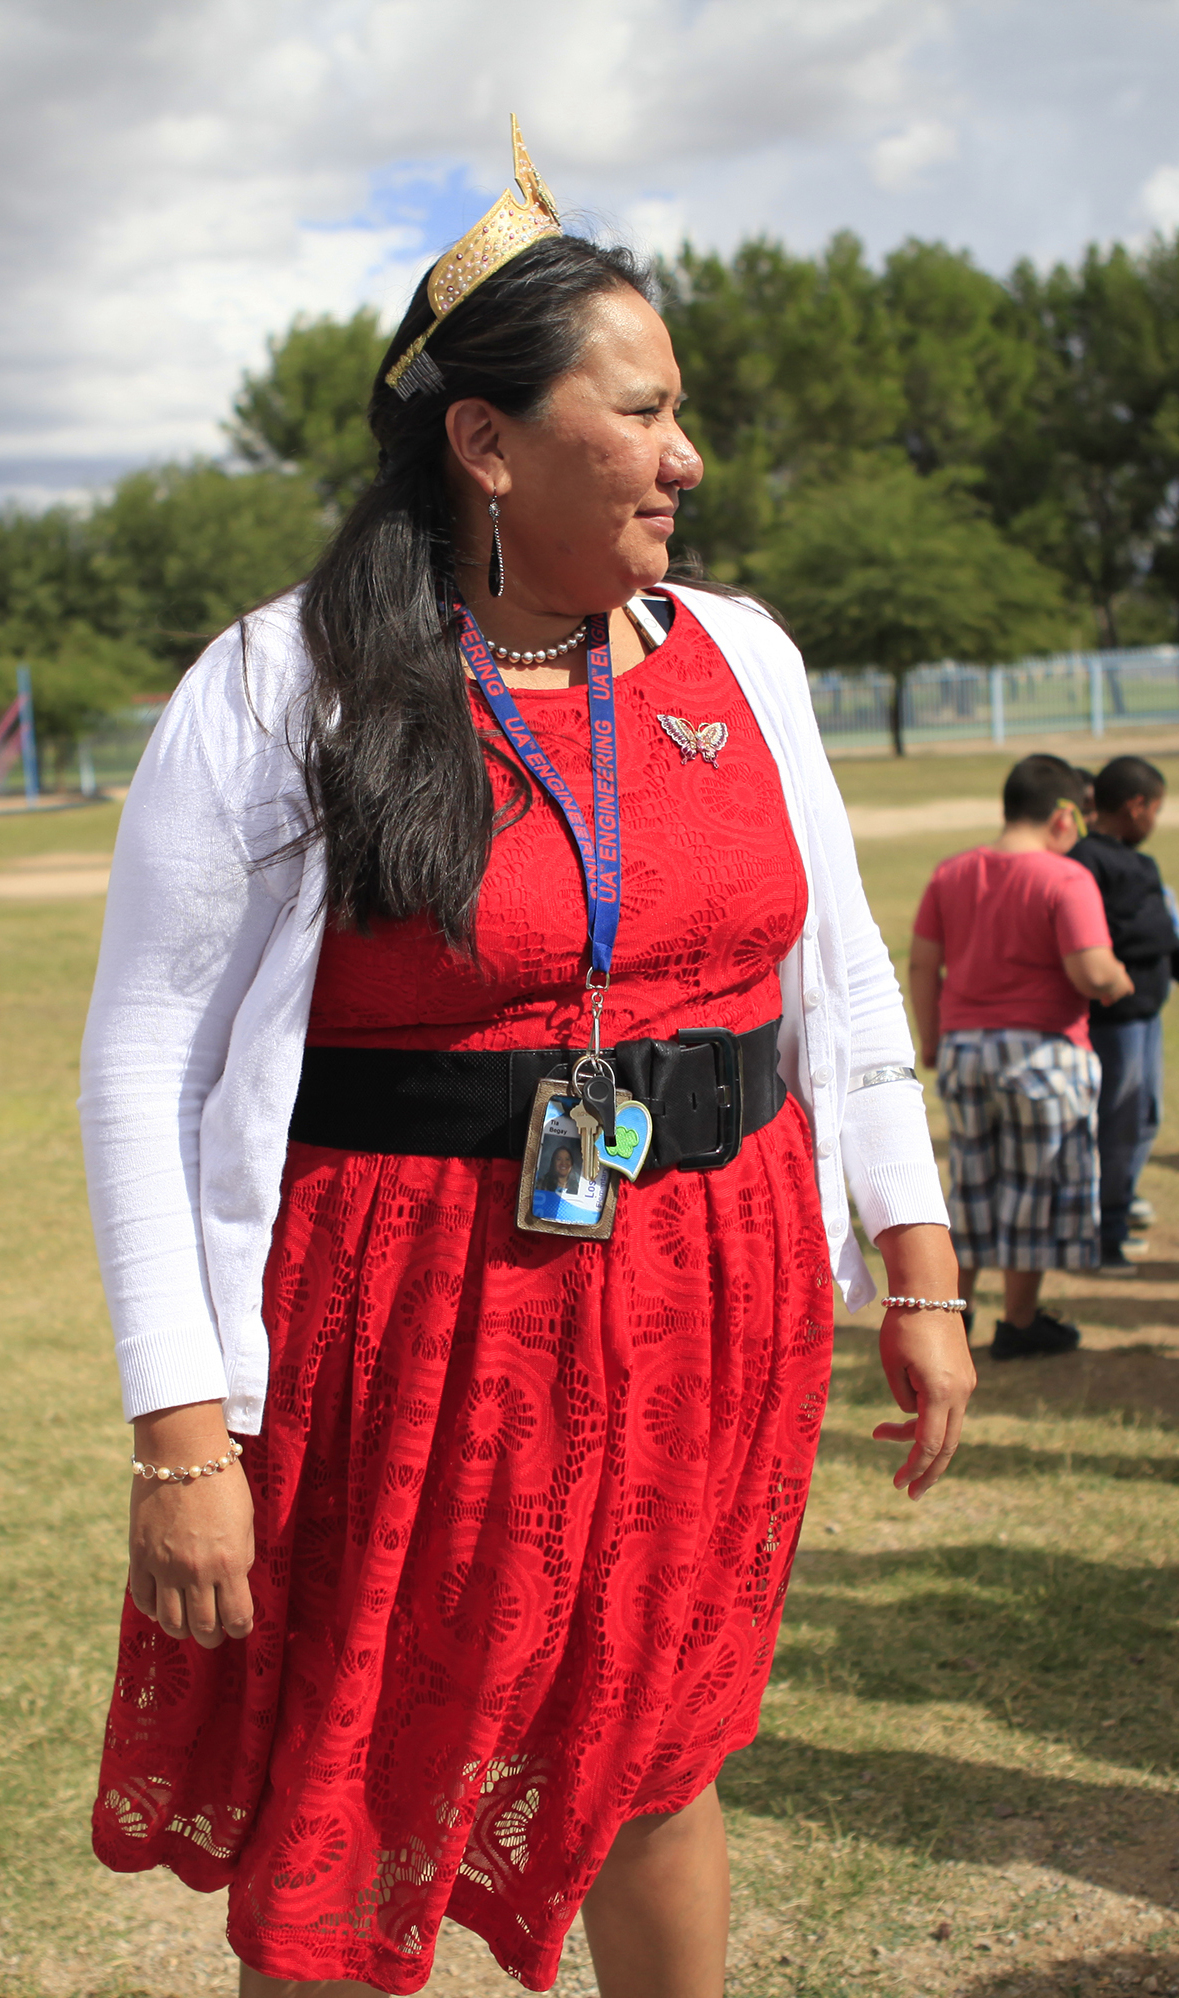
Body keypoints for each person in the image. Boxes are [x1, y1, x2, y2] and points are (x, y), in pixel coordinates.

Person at [80, 121, 973, 1998]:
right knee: (370, 1762)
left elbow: (836, 968)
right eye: (639, 412)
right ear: (487, 446)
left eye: (679, 411)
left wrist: (917, 1260)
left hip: (712, 1296)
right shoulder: (281, 683)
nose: (685, 454)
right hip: (410, 1316)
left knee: (662, 1744)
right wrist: (181, 1433)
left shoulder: (743, 651)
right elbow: (141, 1061)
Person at [909, 753, 1133, 1353]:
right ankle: (1021, 1321)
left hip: (965, 1050)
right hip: (1043, 1054)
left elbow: (924, 963)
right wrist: (1118, 980)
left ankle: (954, 1313)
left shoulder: (951, 872)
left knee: (973, 1184)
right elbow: (1090, 971)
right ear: (1063, 815)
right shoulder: (1065, 879)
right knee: (1033, 1189)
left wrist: (932, 1037)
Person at [1069, 756, 1179, 1270]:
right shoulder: (1086, 861)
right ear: (1136, 805)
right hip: (1110, 1022)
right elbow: (1126, 936)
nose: (1155, 821)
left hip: (1146, 1018)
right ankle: (1103, 1233)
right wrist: (1151, 932)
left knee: (1143, 1120)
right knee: (1114, 1125)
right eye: (1157, 809)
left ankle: (1116, 1217)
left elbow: (1165, 944)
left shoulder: (1138, 864)